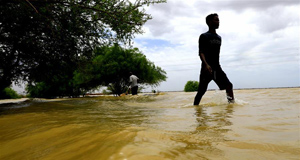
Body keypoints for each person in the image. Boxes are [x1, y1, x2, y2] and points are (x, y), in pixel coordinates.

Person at [194, 13, 234, 105]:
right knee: (201, 91)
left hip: (217, 67)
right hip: (206, 69)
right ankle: (196, 109)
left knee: (228, 85)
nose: (218, 22)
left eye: (218, 20)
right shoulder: (204, 36)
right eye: (216, 20)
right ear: (209, 22)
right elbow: (201, 52)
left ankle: (231, 107)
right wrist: (206, 64)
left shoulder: (219, 38)